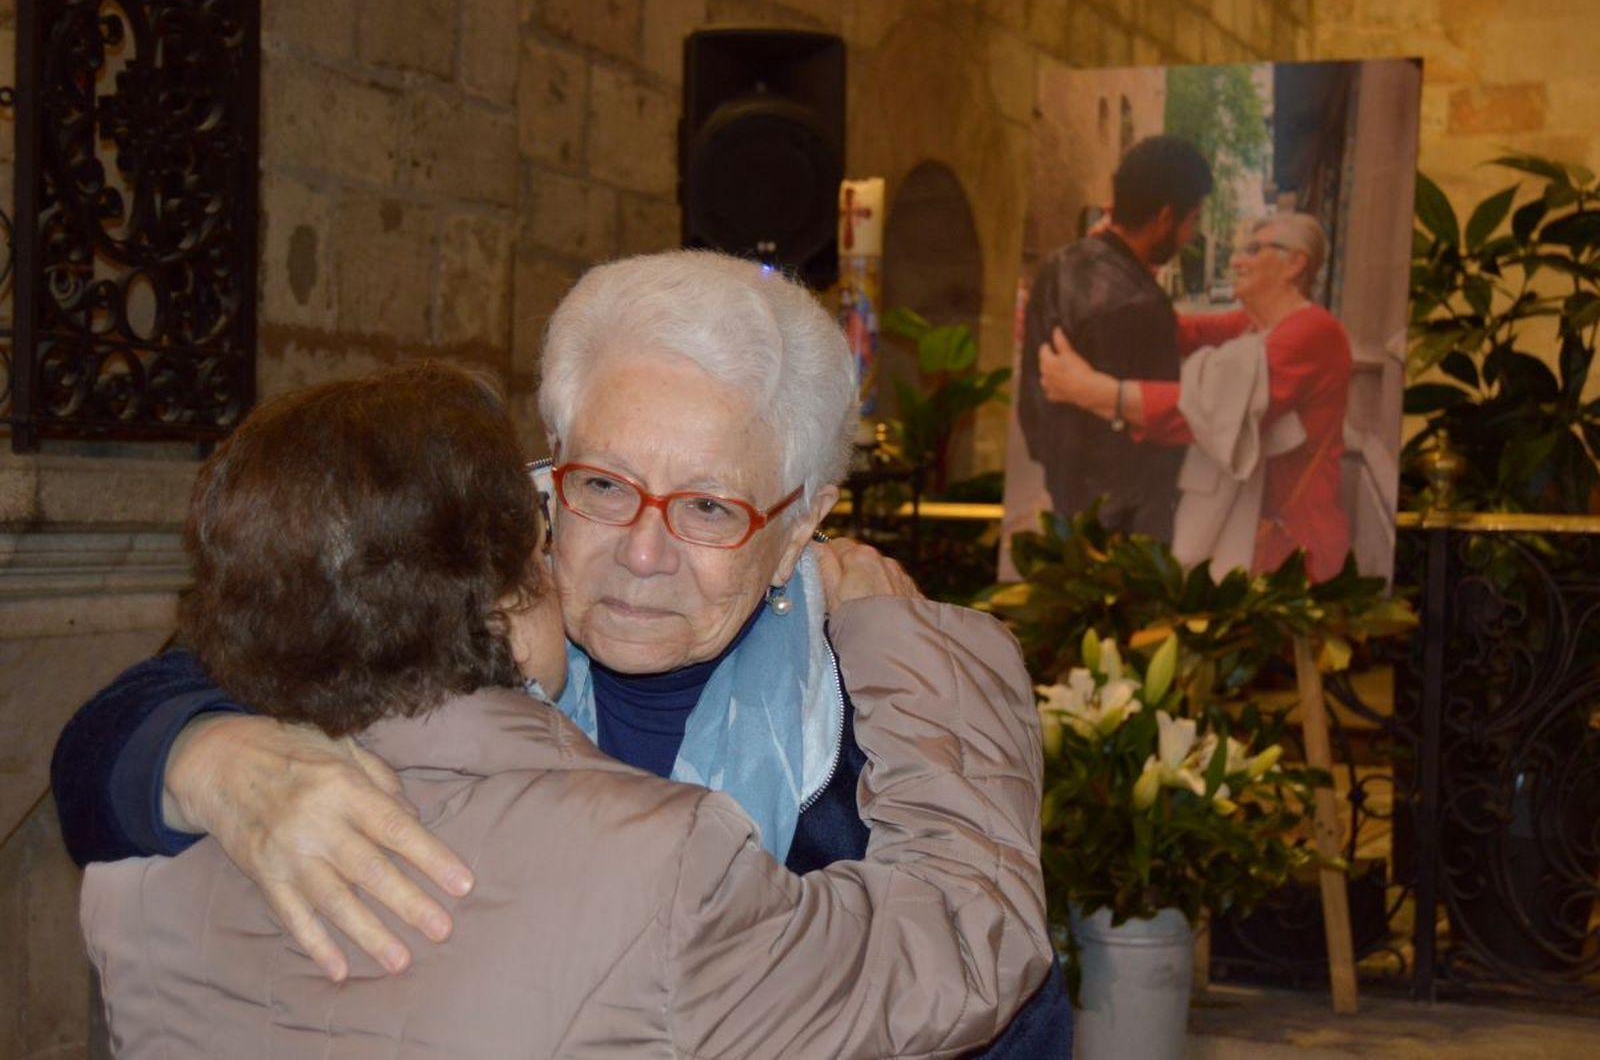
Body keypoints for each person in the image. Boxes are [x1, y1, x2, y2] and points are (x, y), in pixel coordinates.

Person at [54, 251, 1072, 1053]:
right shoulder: (409, 637)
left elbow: (991, 1004)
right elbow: (108, 742)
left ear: (800, 525)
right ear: (541, 479)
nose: (641, 550)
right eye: (602, 484)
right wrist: (210, 758)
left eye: (708, 506)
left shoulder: (878, 741)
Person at [1038, 212, 1353, 581]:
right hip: (1255, 547)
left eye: (1253, 250)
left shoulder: (1314, 332)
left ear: (1295, 264)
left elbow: (1208, 413)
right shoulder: (1251, 326)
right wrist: (1118, 261)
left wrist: (1093, 392)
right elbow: (1165, 330)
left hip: (1294, 554)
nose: (1236, 261)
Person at [1018, 134, 1214, 544]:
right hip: (1126, 532)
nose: (1190, 236)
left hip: (1068, 507)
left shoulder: (1059, 265)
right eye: (1192, 220)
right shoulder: (1140, 304)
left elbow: (1032, 409)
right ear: (1165, 217)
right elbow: (1157, 435)